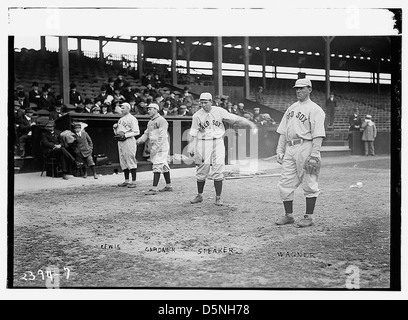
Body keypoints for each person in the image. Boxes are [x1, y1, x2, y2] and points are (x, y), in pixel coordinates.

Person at [188, 92, 258, 206]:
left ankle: (218, 197)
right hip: (203, 142)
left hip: (217, 141)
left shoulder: (219, 111)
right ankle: (199, 195)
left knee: (218, 168)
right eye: (201, 103)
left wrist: (249, 123)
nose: (203, 105)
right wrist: (192, 147)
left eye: (205, 102)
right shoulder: (196, 115)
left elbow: (235, 119)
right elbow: (193, 133)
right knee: (202, 169)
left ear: (211, 102)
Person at [275, 78, 326, 228]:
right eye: (296, 88)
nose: (298, 91)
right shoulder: (291, 108)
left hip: (307, 146)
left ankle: (309, 217)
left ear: (309, 89)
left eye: (302, 88)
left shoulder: (315, 109)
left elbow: (318, 134)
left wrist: (314, 155)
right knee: (285, 182)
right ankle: (289, 215)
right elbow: (283, 132)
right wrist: (279, 149)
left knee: (309, 181)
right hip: (290, 147)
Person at [136, 103, 173, 195]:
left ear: (156, 109)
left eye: (150, 109)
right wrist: (140, 140)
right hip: (155, 145)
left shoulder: (162, 120)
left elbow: (162, 136)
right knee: (164, 165)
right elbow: (147, 133)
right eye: (148, 109)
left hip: (161, 146)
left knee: (157, 164)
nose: (148, 111)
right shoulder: (150, 121)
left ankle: (154, 188)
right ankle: (168, 186)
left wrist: (156, 147)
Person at [113, 102, 140, 188]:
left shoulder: (132, 118)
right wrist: (114, 129)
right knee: (123, 161)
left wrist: (126, 135)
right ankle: (126, 181)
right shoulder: (120, 119)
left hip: (129, 140)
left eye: (123, 108)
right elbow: (118, 133)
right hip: (121, 141)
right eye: (121, 108)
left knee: (130, 160)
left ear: (128, 108)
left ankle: (134, 182)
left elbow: (137, 132)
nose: (121, 109)